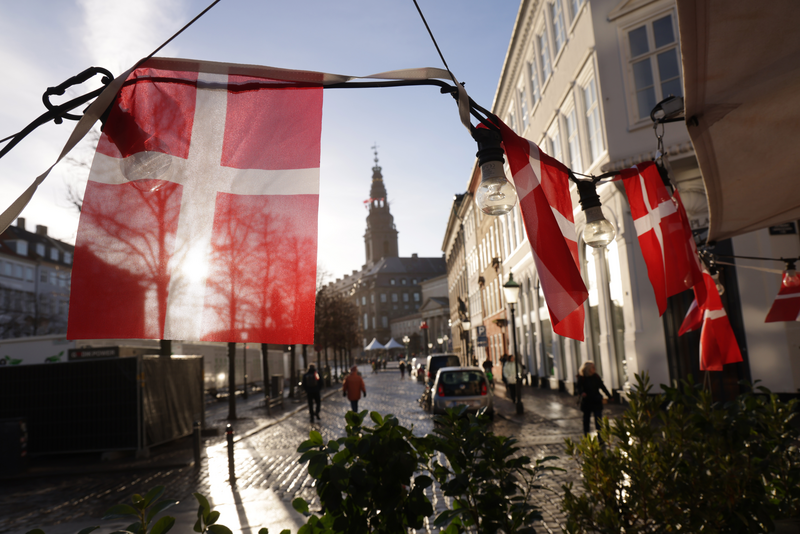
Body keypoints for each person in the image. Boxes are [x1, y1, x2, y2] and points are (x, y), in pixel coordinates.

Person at [577, 361, 612, 438]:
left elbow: (602, 387)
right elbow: (578, 388)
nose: (594, 369)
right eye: (593, 367)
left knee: (598, 420)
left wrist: (609, 396)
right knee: (586, 420)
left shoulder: (596, 376)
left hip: (596, 401)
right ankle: (586, 436)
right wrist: (582, 393)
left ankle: (600, 437)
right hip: (587, 402)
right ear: (588, 369)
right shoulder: (582, 377)